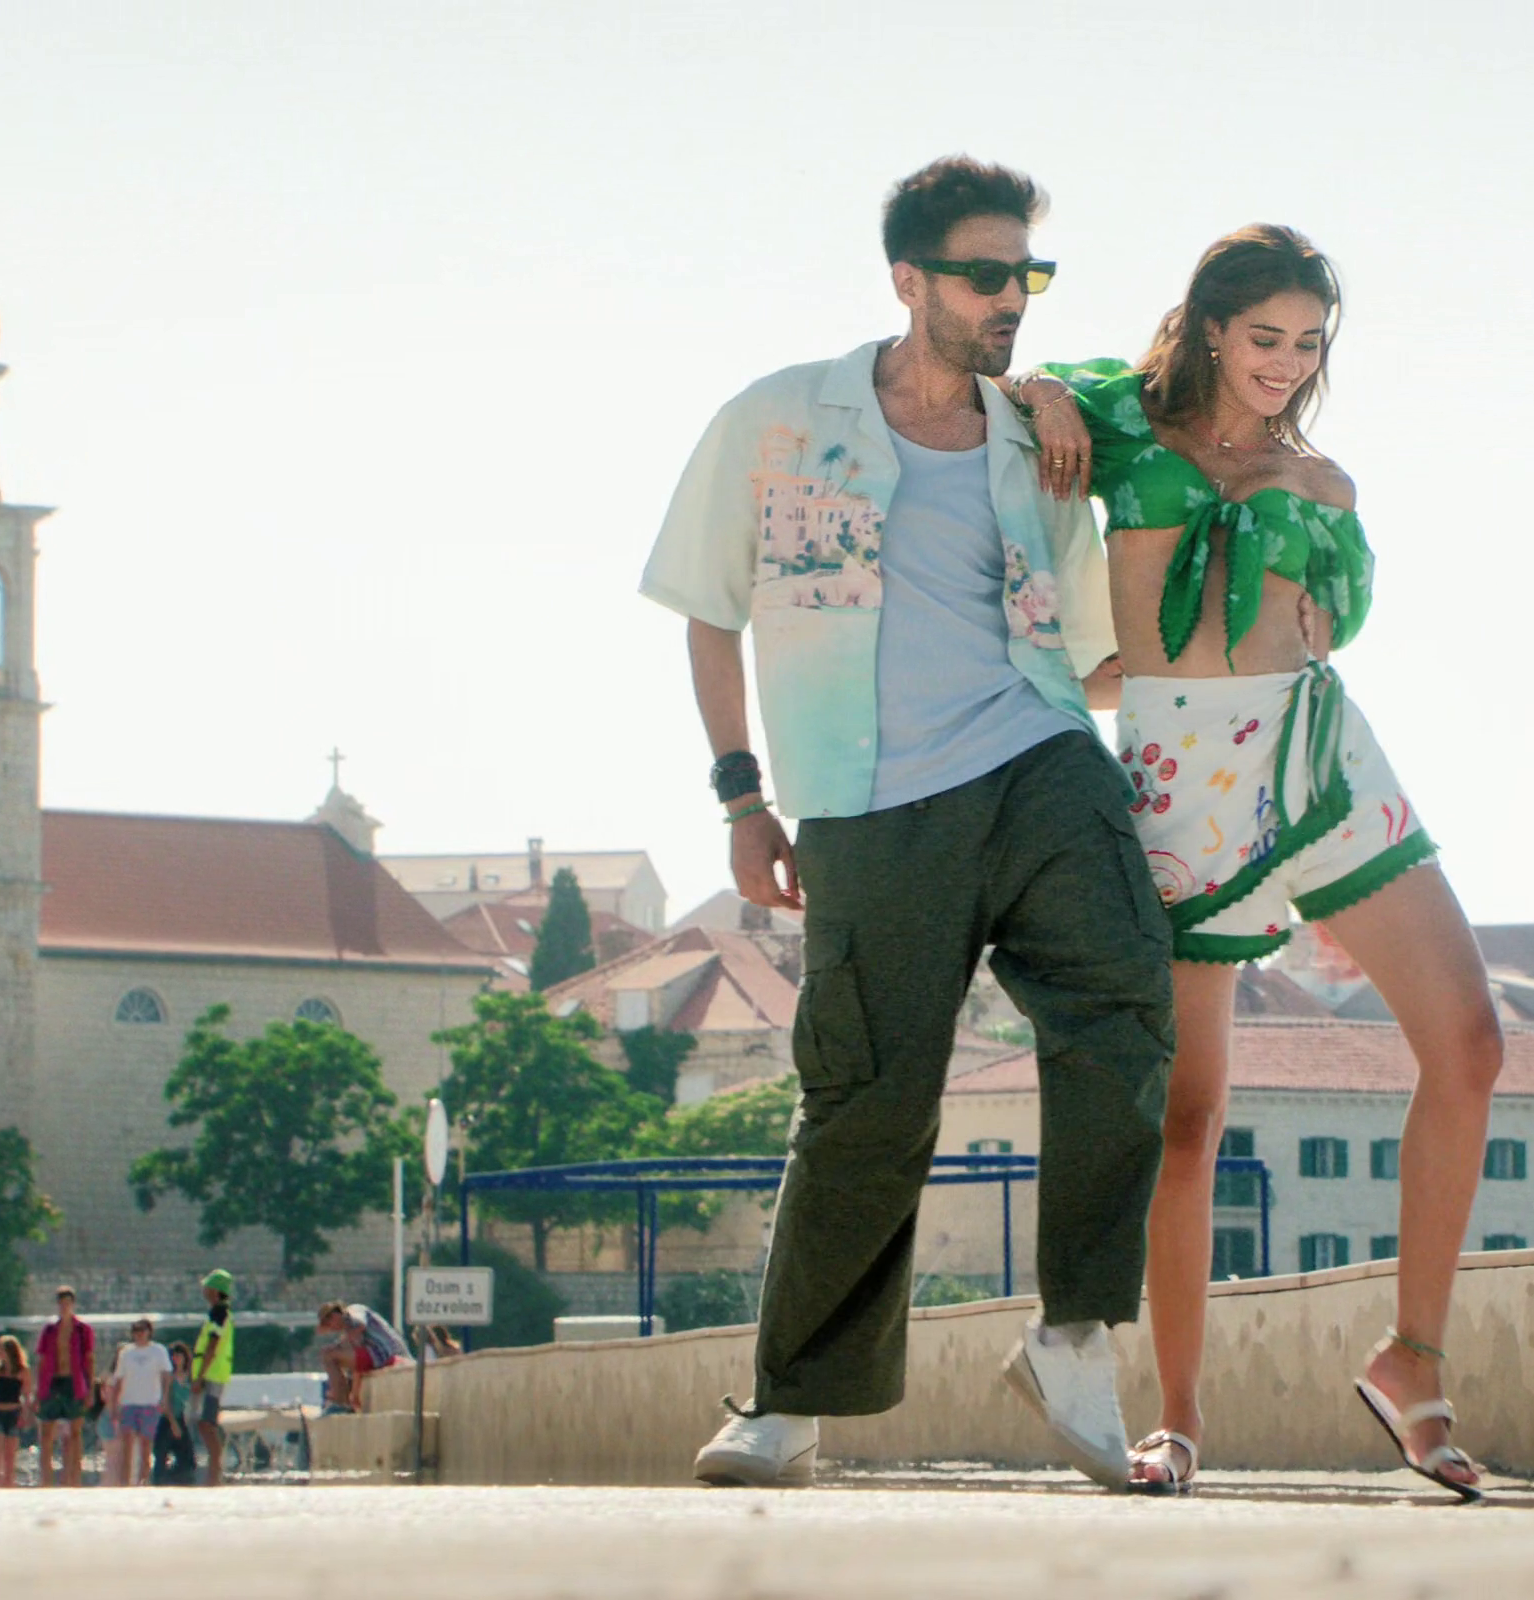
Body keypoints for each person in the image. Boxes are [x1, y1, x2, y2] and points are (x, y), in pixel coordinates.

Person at [641, 155, 1172, 1491]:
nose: (1012, 299)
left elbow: (1100, 646)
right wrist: (739, 794)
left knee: (1124, 1006)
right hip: (868, 801)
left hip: (1040, 758)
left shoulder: (1038, 440)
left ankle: (1074, 1335)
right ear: (908, 280)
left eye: (1027, 275)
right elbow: (707, 605)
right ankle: (789, 1403)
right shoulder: (779, 418)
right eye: (985, 275)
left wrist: (1255, 669)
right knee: (868, 1098)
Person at [1017, 224, 1505, 1501]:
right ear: (1210, 329)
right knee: (1189, 1118)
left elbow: (1330, 623)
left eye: (1308, 343)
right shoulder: (1124, 424)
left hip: (1319, 756)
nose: (1286, 363)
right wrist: (1050, 394)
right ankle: (1178, 1418)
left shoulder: (1325, 485)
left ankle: (1412, 1359)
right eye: (1264, 337)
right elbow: (1020, 388)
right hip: (1181, 788)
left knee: (1470, 1043)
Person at [32, 1286, 98, 1486]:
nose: (64, 1306)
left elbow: (89, 1359)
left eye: (67, 1303)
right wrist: (37, 1390)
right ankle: (46, 1481)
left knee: (75, 1433)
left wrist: (90, 1390)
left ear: (73, 1304)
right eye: (61, 1303)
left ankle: (74, 1480)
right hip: (52, 1382)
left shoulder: (82, 1330)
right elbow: (42, 1360)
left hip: (74, 1382)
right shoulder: (50, 1330)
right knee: (46, 1433)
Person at [102, 1317, 173, 1489]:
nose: (139, 1334)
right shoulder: (126, 1353)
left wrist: (164, 1398)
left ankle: (144, 1480)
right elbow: (119, 1379)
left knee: (146, 1444)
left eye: (142, 1331)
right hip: (129, 1402)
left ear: (149, 1332)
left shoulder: (158, 1351)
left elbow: (166, 1375)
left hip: (150, 1402)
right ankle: (126, 1482)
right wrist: (115, 1404)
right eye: (136, 1331)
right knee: (127, 1443)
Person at [185, 1269, 239, 1485]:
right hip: (211, 1373)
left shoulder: (219, 1313)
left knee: (208, 1423)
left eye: (207, 1287)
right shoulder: (217, 1312)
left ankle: (215, 1472)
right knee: (204, 1423)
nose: (204, 1291)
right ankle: (214, 1470)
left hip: (213, 1375)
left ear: (215, 1290)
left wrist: (200, 1377)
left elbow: (212, 1345)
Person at [0, 1334, 30, 1486]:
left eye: (1, 1349)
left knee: (10, 1459)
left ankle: (9, 1488)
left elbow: (27, 1395)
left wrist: (25, 1415)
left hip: (13, 1413)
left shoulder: (22, 1371)